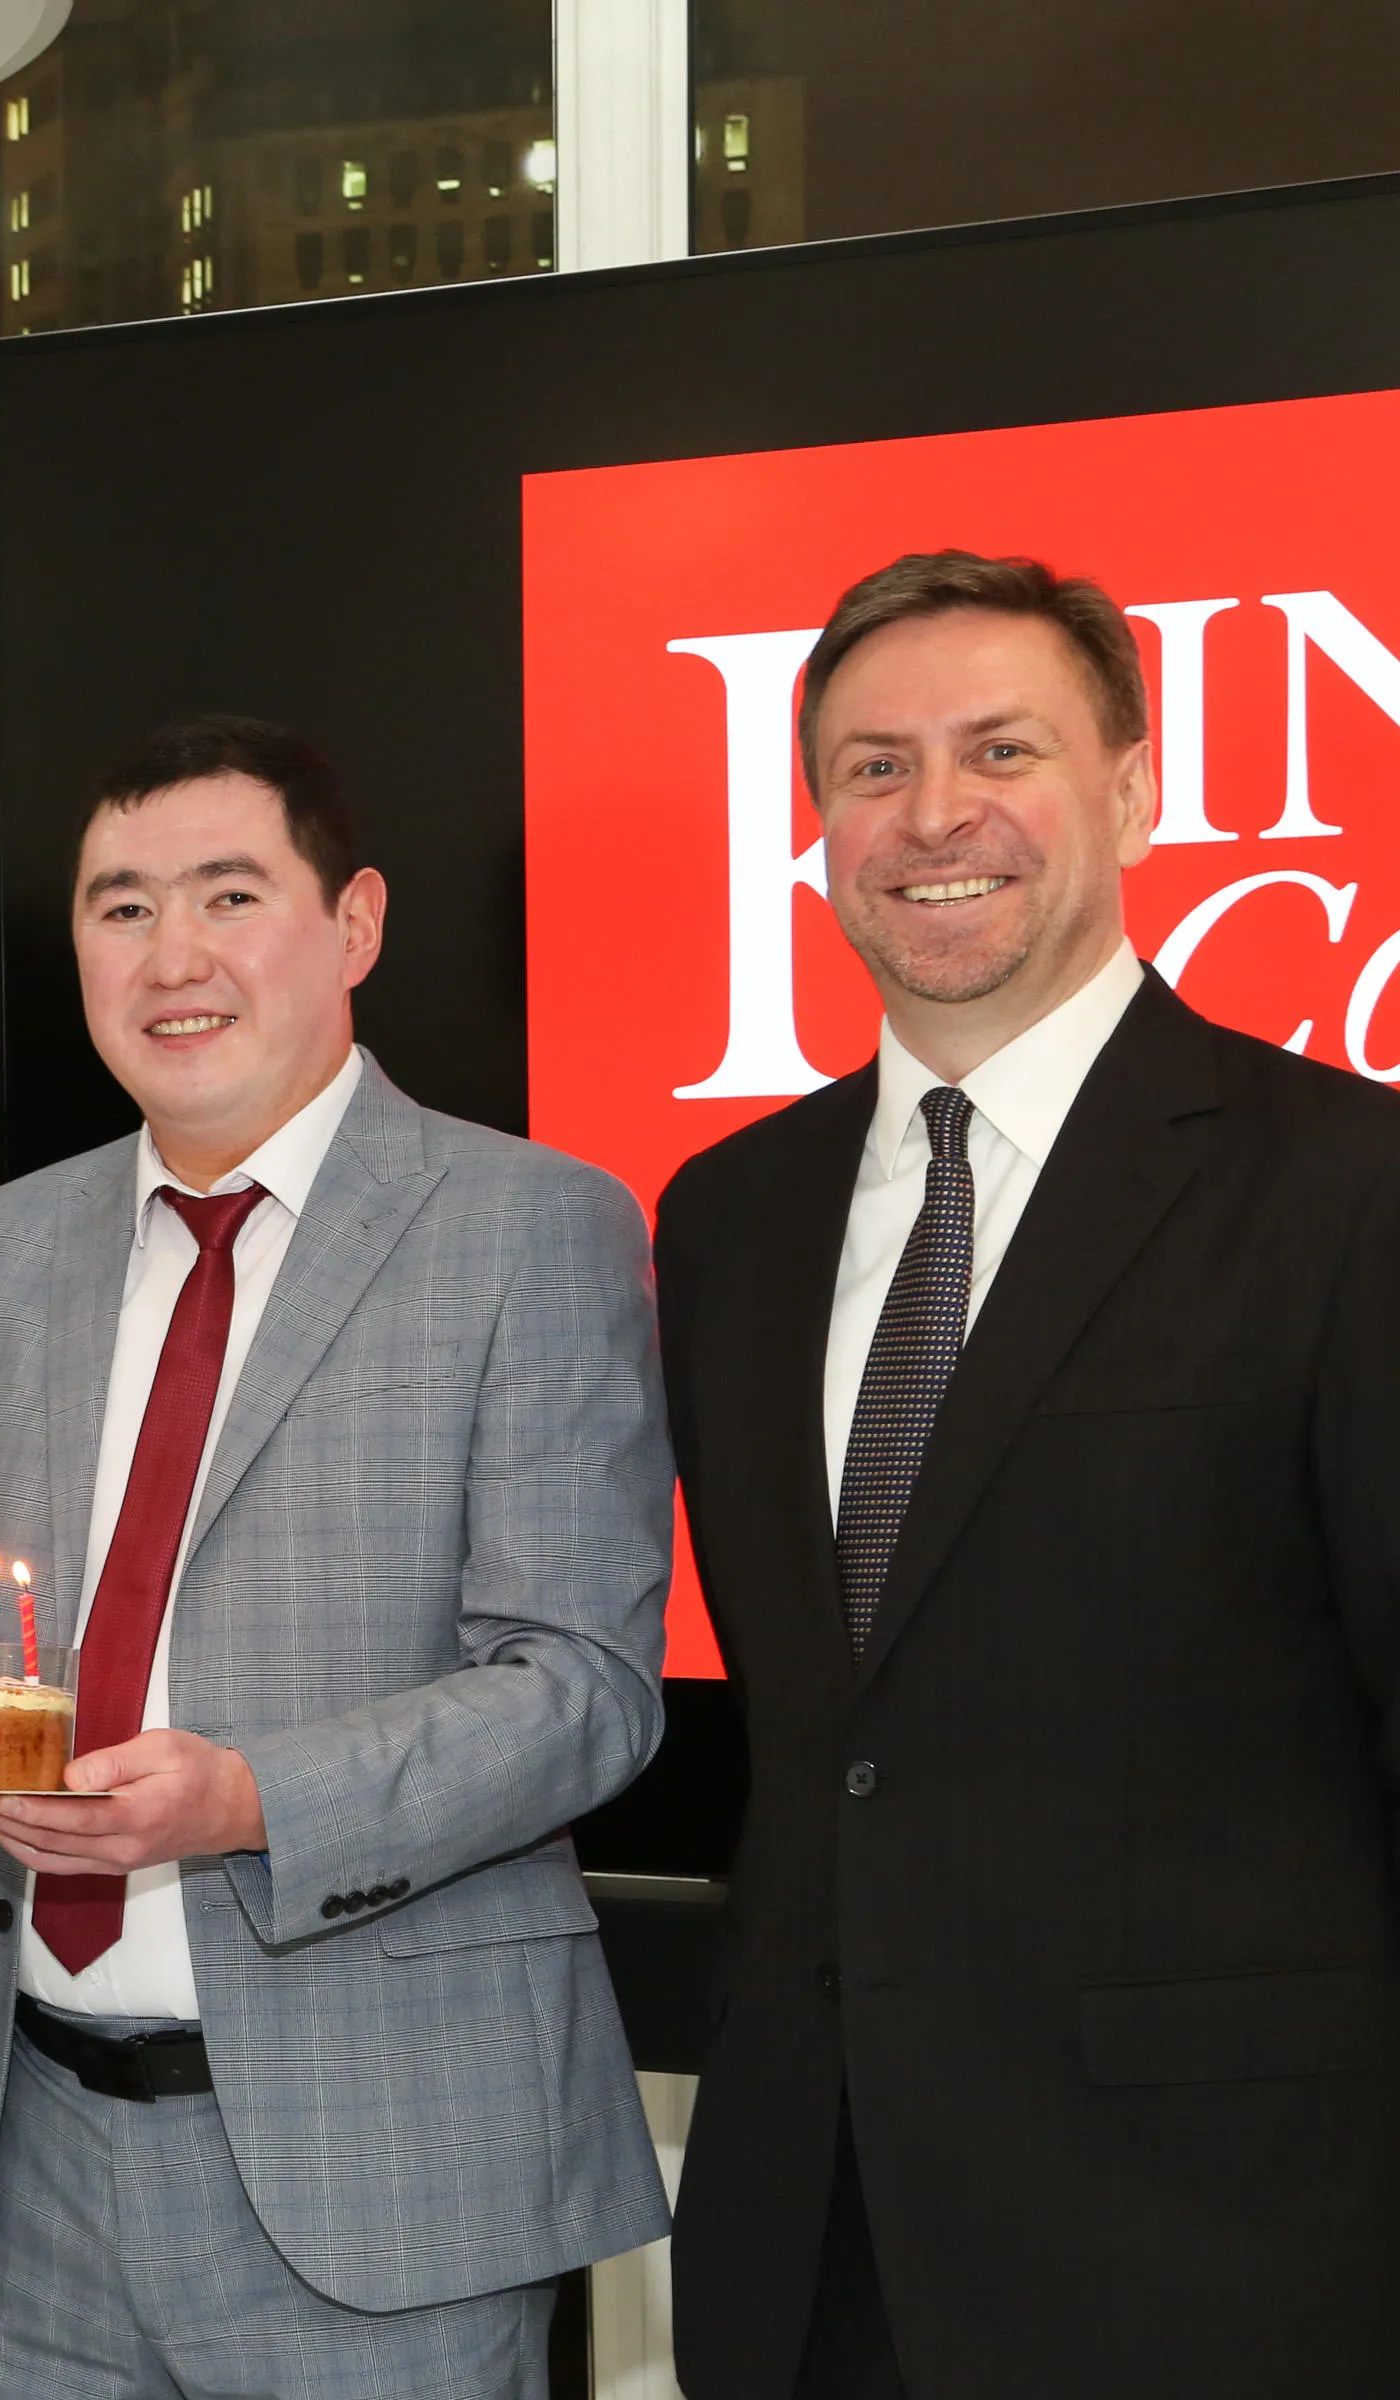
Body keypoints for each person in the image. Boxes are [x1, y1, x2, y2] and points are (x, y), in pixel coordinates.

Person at [657, 553, 1400, 2398]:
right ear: (817, 817)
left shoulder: (1348, 1187)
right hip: (811, 2239)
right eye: (872, 766)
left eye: (1004, 748)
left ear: (1136, 789)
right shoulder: (728, 1218)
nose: (934, 816)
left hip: (1223, 2246)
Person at [0, 715, 675, 2395]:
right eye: (119, 907)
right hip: (40, 2164)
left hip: (387, 2167)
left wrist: (251, 1802)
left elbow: (585, 1692)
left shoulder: (534, 1226)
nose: (172, 956)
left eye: (229, 895)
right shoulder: (8, 1251)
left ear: (357, 923)